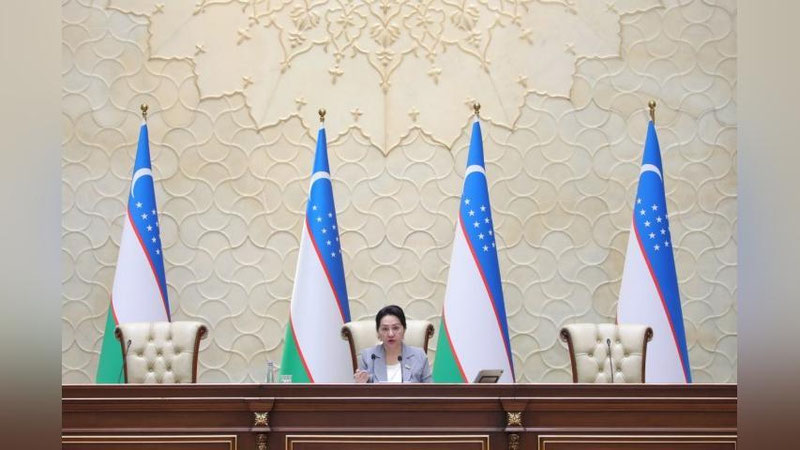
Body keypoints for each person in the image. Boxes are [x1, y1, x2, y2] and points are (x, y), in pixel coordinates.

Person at [354, 305, 432, 383]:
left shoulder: (419, 356)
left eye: (395, 328)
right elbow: (360, 389)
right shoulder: (368, 356)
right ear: (378, 332)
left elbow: (430, 389)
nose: (390, 334)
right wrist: (360, 384)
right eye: (385, 329)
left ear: (404, 330)